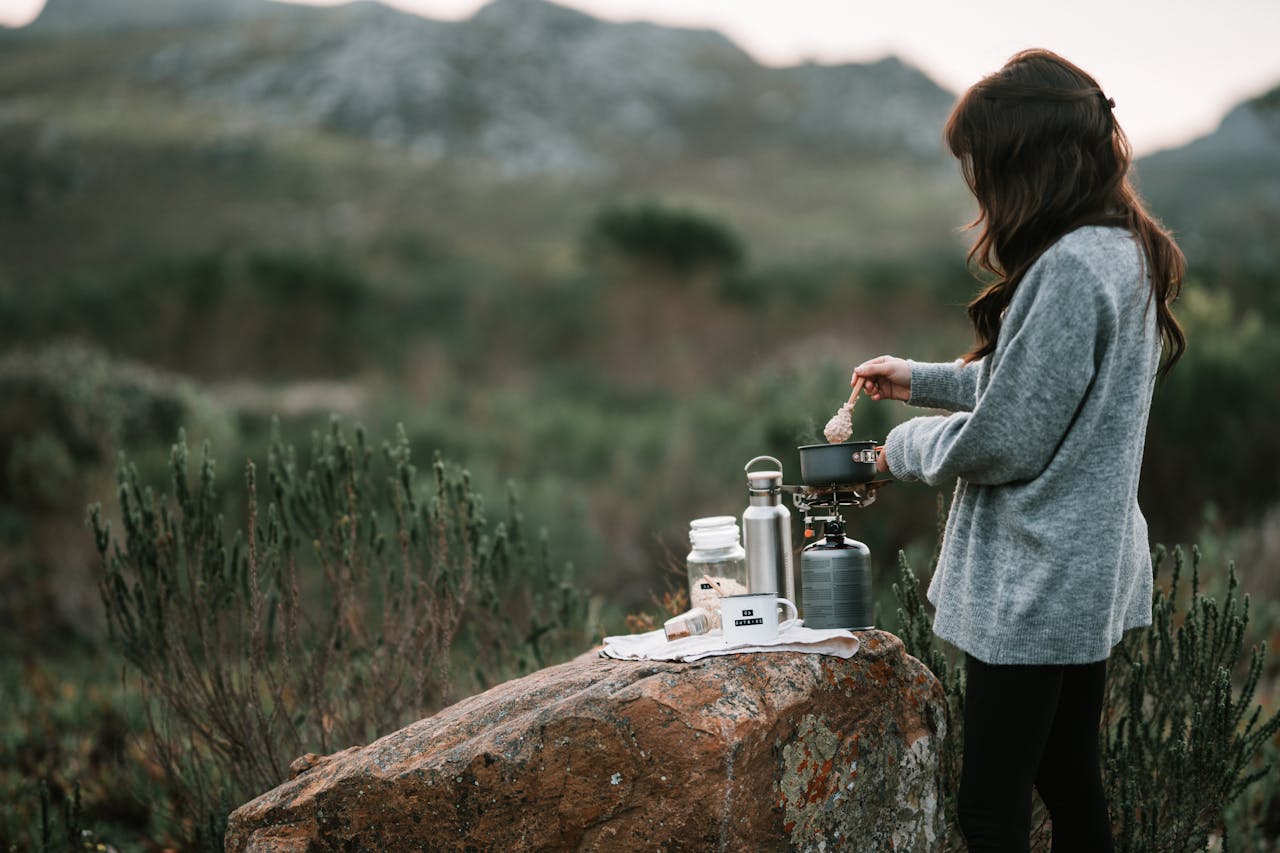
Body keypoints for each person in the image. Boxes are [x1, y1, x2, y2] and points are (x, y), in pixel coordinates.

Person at [853, 49, 1185, 853]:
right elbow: (1041, 381)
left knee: (991, 809)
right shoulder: (1122, 247)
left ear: (1025, 160)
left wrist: (902, 446)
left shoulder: (1070, 265)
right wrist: (922, 379)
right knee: (1070, 784)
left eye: (983, 163)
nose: (978, 183)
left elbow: (1009, 438)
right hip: (1086, 564)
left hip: (1038, 576)